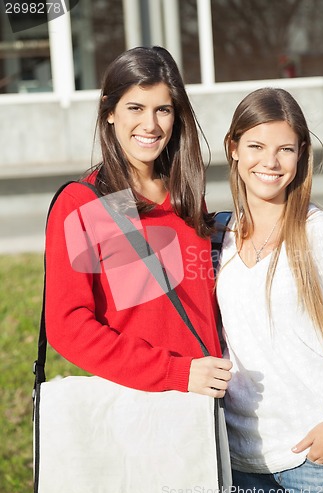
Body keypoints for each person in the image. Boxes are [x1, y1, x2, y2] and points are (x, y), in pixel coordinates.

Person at [45, 46, 232, 399]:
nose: (150, 125)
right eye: (135, 108)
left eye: (163, 110)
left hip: (208, 404)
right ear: (110, 111)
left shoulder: (184, 197)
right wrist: (174, 373)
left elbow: (202, 306)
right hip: (142, 407)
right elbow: (67, 327)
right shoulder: (85, 203)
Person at [217, 88, 323, 493]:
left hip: (321, 463)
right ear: (233, 148)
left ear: (301, 153)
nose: (269, 162)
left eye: (285, 149)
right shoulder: (218, 237)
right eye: (255, 146)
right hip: (242, 463)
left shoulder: (322, 233)